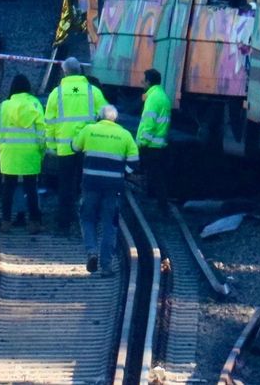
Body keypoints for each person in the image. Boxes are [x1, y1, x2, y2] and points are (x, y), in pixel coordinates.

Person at [72, 105, 139, 275]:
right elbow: (134, 160)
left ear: (99, 117)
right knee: (110, 224)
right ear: (115, 119)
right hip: (113, 186)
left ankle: (91, 251)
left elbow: (74, 147)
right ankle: (106, 266)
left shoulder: (89, 130)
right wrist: (122, 173)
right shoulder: (125, 135)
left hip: (90, 184)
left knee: (87, 219)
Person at [45, 57, 108, 232]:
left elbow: (49, 123)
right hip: (89, 147)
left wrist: (51, 147)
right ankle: (89, 221)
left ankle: (64, 223)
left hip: (65, 148)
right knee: (88, 184)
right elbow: (105, 115)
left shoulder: (56, 93)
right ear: (80, 70)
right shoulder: (93, 91)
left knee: (66, 185)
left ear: (64, 72)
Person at [0, 74, 47, 233]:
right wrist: (42, 151)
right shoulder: (35, 104)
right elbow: (42, 131)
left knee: (8, 187)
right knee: (31, 188)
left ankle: (6, 222)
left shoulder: (3, 106)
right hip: (31, 153)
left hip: (9, 153)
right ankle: (34, 222)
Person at [136, 68, 172, 206]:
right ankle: (160, 205)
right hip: (158, 144)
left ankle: (161, 207)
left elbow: (149, 125)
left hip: (150, 146)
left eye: (143, 81)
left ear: (148, 82)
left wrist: (141, 143)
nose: (142, 83)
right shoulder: (162, 96)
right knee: (156, 177)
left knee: (154, 176)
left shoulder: (153, 99)